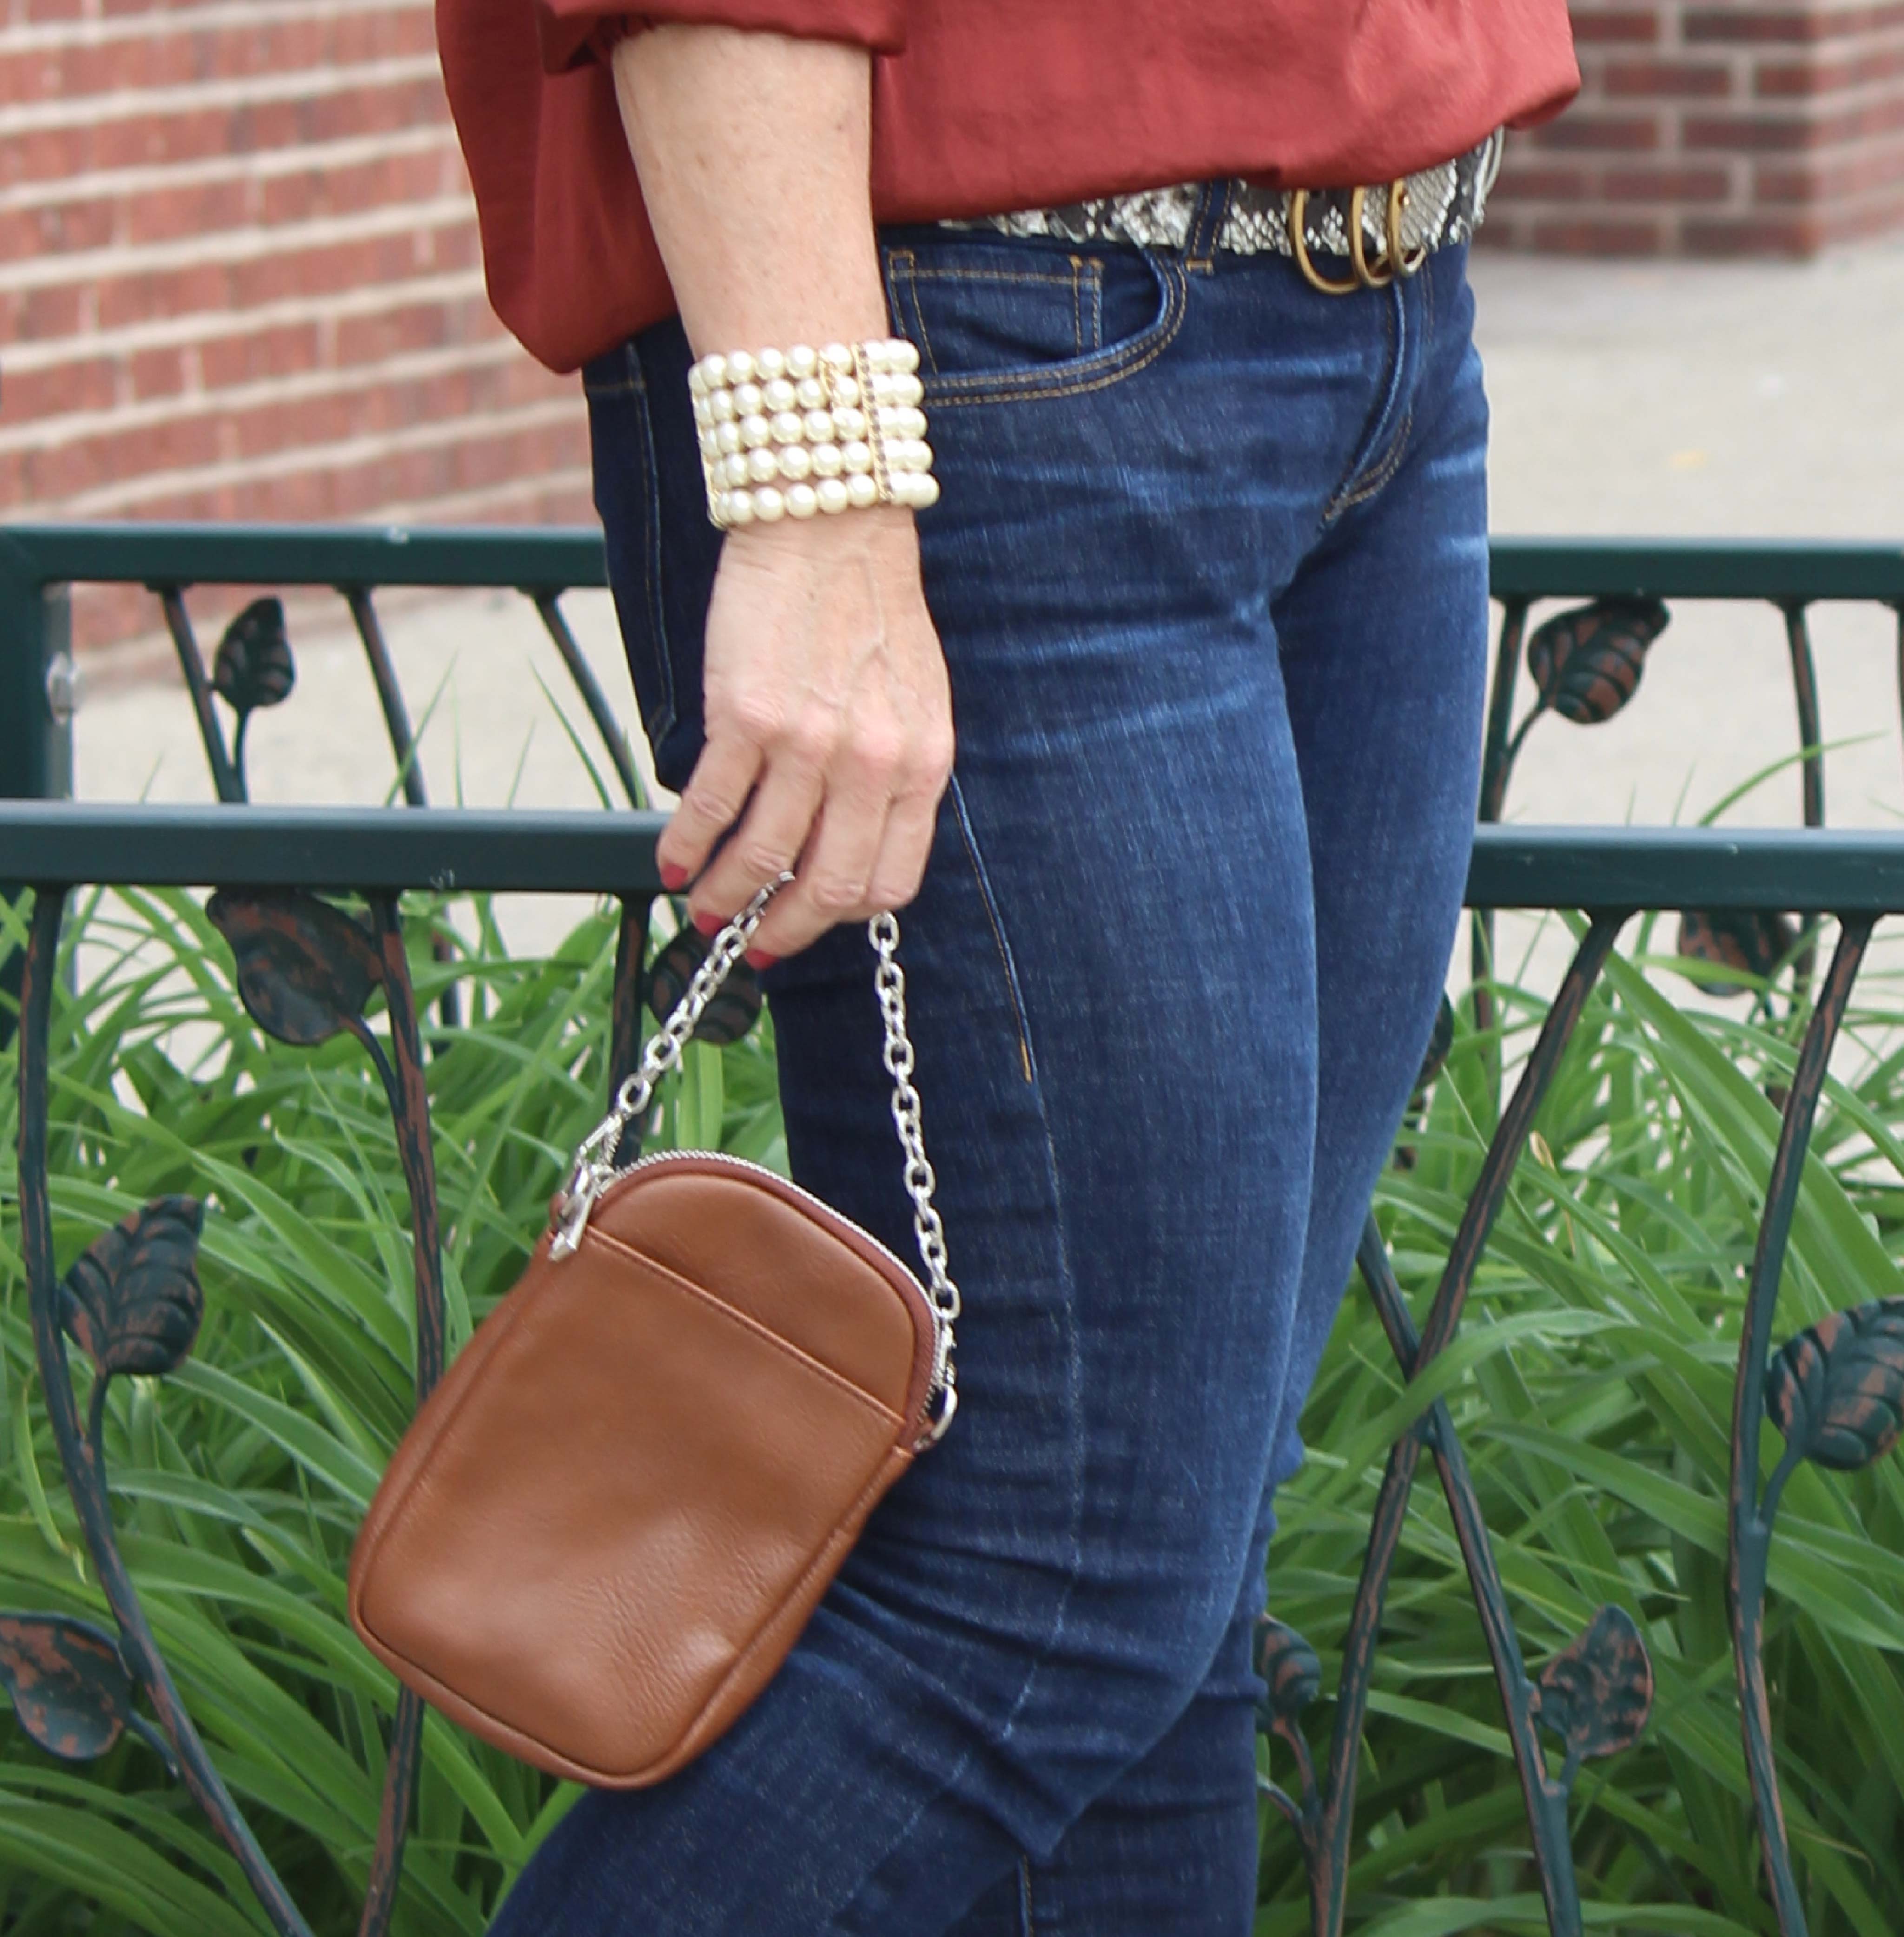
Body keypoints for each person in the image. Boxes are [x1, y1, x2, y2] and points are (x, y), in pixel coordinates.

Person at [441, 4, 1578, 1930]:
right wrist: (816, 480)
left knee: (1159, 1593)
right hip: (978, 357)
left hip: (1376, 308)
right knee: (1046, 1592)